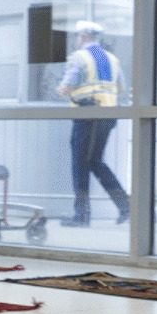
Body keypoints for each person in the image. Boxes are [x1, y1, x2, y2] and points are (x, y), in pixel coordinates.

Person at [55, 20, 129, 227]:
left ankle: (82, 215)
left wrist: (61, 90)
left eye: (78, 36)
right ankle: (125, 206)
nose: (77, 39)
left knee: (80, 164)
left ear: (83, 36)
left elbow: (66, 86)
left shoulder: (79, 57)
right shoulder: (112, 59)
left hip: (87, 114)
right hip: (109, 114)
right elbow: (121, 88)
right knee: (95, 161)